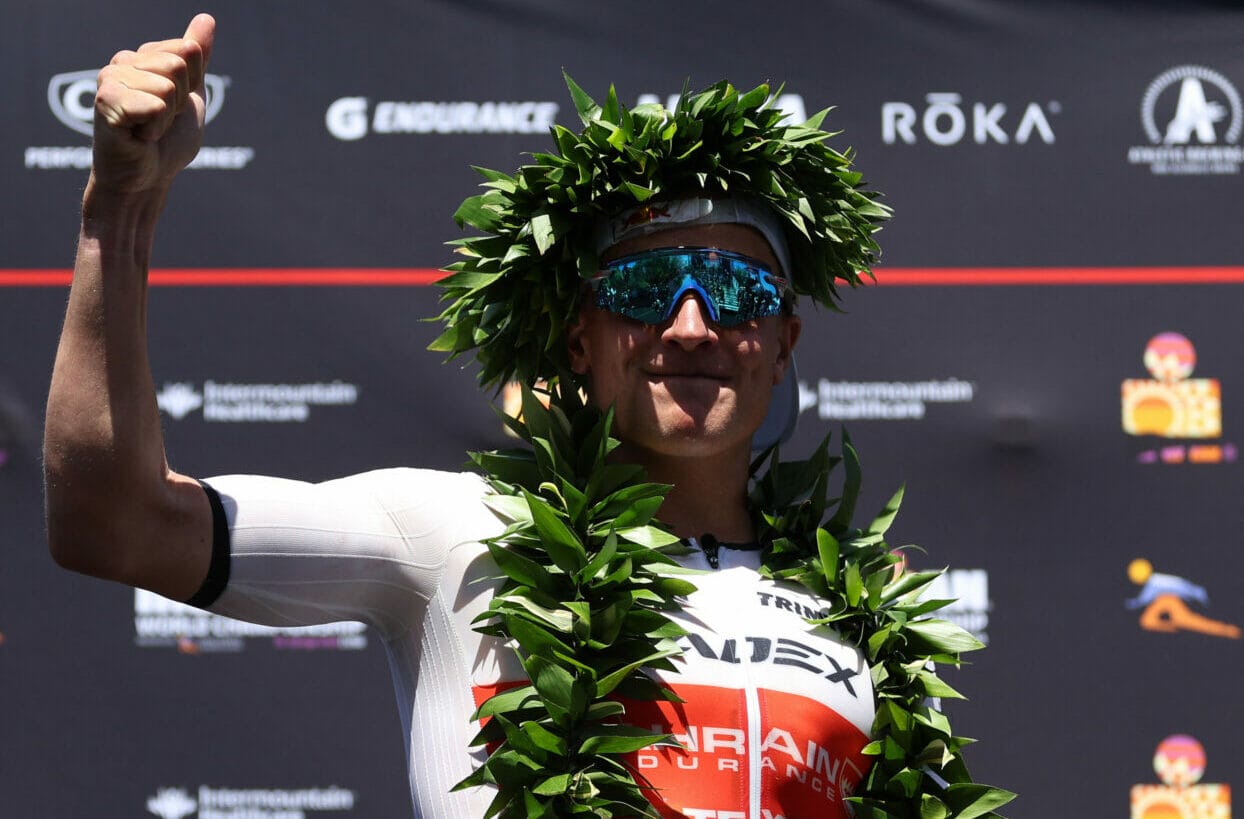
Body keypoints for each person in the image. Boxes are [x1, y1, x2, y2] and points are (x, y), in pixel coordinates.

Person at [45, 13, 1009, 819]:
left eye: (732, 284)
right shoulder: (453, 537)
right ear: (579, 342)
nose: (689, 324)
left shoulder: (866, 612)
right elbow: (114, 522)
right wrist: (118, 213)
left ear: (784, 342)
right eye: (640, 284)